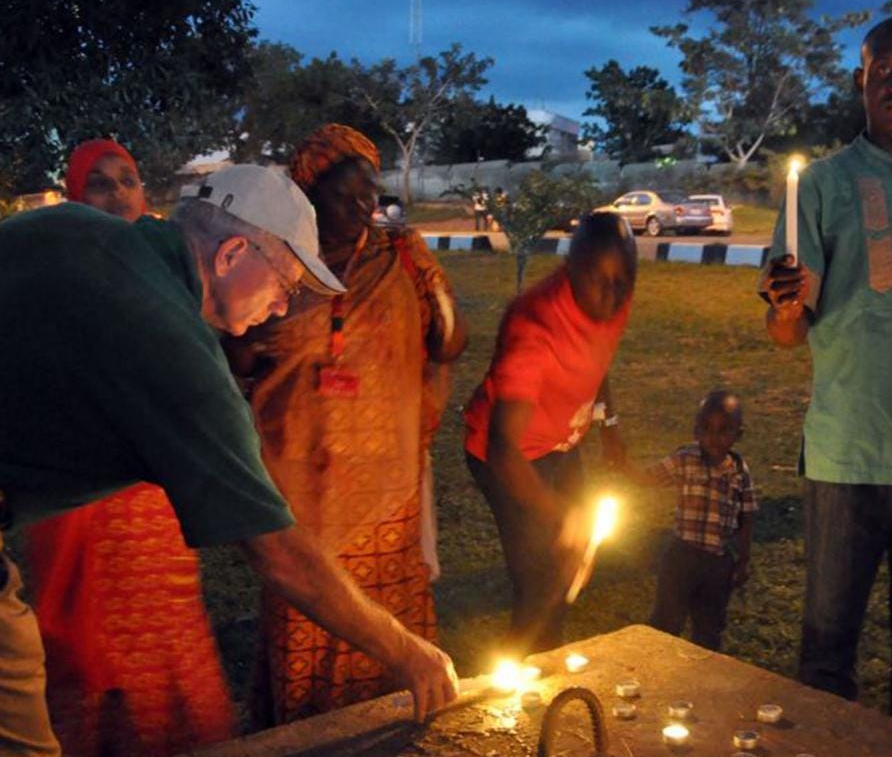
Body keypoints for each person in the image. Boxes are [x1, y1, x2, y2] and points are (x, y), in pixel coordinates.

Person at [0, 163, 459, 757]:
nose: (281, 308)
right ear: (233, 253)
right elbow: (277, 553)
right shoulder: (173, 348)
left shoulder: (70, 227)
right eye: (285, 287)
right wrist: (410, 653)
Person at [230, 124, 468, 725]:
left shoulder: (399, 254)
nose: (366, 206)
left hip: (387, 481)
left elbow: (449, 343)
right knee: (309, 601)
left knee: (390, 608)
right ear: (309, 194)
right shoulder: (277, 258)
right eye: (348, 195)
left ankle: (388, 718)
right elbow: (235, 350)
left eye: (372, 192)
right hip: (304, 478)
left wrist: (436, 299)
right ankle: (305, 740)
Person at [23, 140, 236, 757]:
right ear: (74, 199)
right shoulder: (60, 273)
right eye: (100, 185)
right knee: (95, 660)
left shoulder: (167, 274)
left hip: (156, 503)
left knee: (172, 641)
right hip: (85, 500)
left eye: (128, 180)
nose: (118, 195)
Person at [761, 15, 892, 722]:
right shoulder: (825, 185)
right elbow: (787, 333)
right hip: (848, 450)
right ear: (860, 83)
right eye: (884, 71)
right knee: (826, 650)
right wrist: (783, 308)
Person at [464, 212, 636, 654]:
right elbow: (503, 449)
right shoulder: (534, 328)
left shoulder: (613, 295)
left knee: (568, 563)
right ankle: (513, 686)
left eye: (624, 280)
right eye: (601, 280)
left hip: (560, 444)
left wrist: (608, 424)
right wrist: (559, 513)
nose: (614, 294)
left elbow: (598, 355)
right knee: (540, 577)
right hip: (508, 456)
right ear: (572, 270)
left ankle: (547, 661)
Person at [622, 391, 756, 652]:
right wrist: (623, 467)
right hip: (682, 557)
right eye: (706, 429)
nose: (713, 438)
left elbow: (747, 514)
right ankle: (655, 663)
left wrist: (744, 559)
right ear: (696, 431)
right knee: (666, 619)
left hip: (718, 563)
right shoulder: (686, 459)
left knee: (709, 626)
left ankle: (701, 676)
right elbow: (649, 478)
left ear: (738, 434)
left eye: (723, 431)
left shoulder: (739, 470)